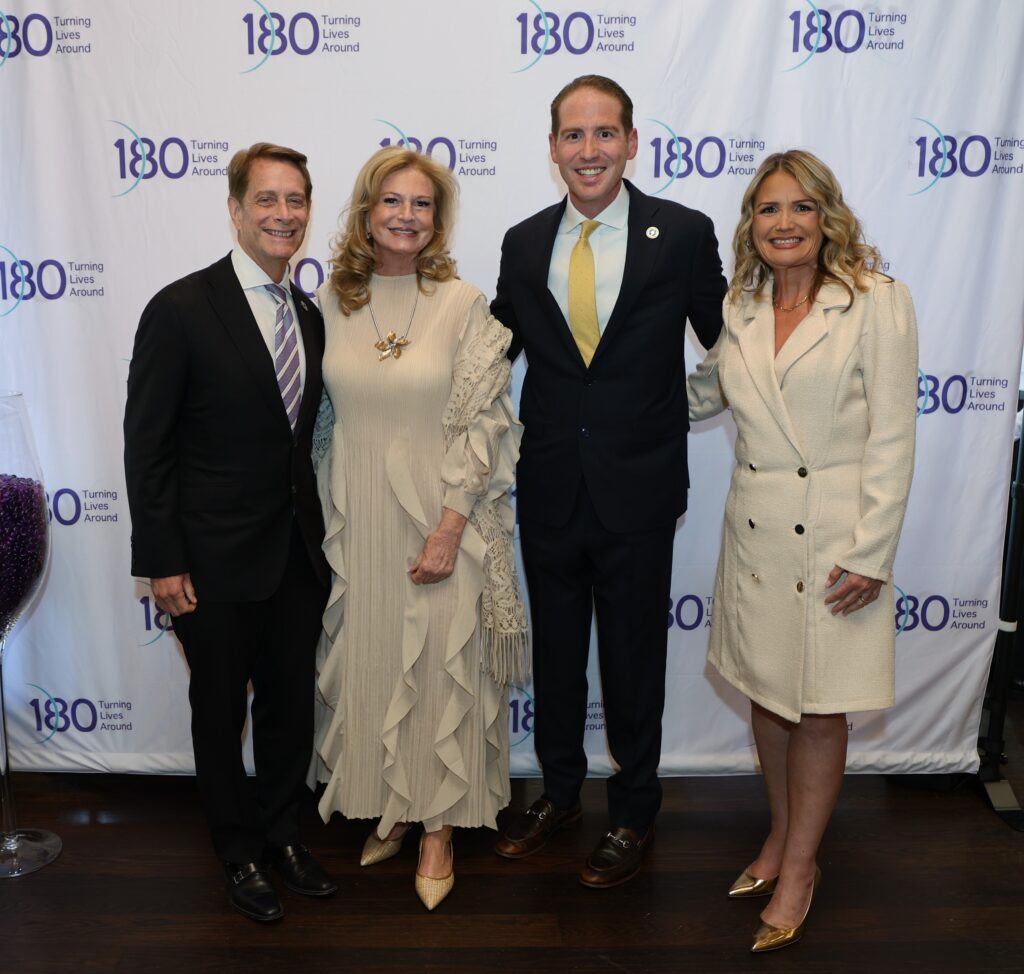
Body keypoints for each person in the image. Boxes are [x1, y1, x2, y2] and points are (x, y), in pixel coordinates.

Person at [490, 75, 727, 887]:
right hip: (550, 485)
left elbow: (732, 343)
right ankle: (558, 793)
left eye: (604, 134)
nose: (588, 151)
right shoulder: (523, 243)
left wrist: (672, 409)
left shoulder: (685, 233)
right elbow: (489, 356)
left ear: (632, 143)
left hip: (639, 491)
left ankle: (632, 811)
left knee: (632, 660)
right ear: (552, 147)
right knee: (557, 657)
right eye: (572, 135)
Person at [687, 150, 918, 952]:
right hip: (754, 532)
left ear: (828, 219)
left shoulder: (876, 303)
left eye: (801, 209)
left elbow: (893, 436)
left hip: (834, 541)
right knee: (767, 694)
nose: (784, 224)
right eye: (768, 209)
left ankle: (801, 869)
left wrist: (871, 552)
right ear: (751, 224)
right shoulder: (741, 307)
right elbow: (703, 394)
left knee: (820, 709)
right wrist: (619, 375)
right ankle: (783, 839)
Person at [124, 143, 336, 922]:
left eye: (297, 200)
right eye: (267, 200)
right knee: (219, 710)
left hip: (295, 557)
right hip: (207, 564)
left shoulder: (307, 313)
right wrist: (162, 559)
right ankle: (237, 851)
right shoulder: (180, 308)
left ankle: (283, 834)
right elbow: (147, 446)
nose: (283, 214)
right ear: (236, 208)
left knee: (289, 708)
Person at [310, 146, 526, 911]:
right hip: (357, 520)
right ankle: (393, 806)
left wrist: (449, 524)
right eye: (392, 202)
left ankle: (439, 827)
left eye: (422, 205)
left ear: (439, 220)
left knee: (441, 670)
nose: (406, 216)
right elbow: (318, 420)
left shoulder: (464, 303)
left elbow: (486, 425)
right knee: (373, 664)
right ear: (366, 212)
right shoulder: (333, 300)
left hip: (443, 521)